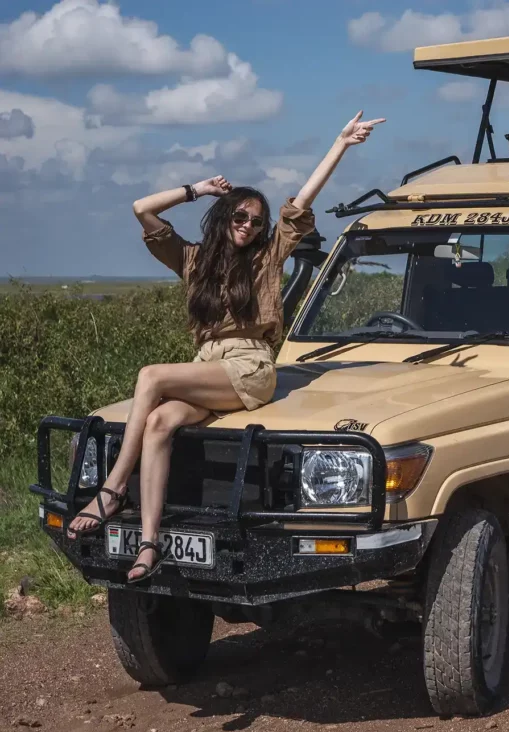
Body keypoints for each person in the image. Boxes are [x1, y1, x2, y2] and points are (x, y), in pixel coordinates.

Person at [66, 111, 385, 583]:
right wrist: (197, 188)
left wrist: (340, 143)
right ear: (224, 216)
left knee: (151, 376)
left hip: (250, 365)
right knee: (159, 422)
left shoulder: (267, 257)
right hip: (207, 367)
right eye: (240, 216)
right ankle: (150, 543)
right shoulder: (193, 260)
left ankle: (113, 490)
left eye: (256, 221)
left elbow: (303, 199)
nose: (249, 225)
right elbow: (142, 209)